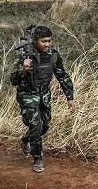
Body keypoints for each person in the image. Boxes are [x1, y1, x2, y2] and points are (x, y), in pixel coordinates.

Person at [10, 26, 75, 173]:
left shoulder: (53, 55)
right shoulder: (26, 56)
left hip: (44, 95)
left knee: (45, 125)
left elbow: (62, 75)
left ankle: (24, 140)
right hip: (27, 95)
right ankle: (37, 159)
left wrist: (69, 97)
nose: (47, 44)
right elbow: (13, 80)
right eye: (43, 41)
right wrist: (23, 70)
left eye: (49, 41)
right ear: (35, 41)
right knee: (36, 127)